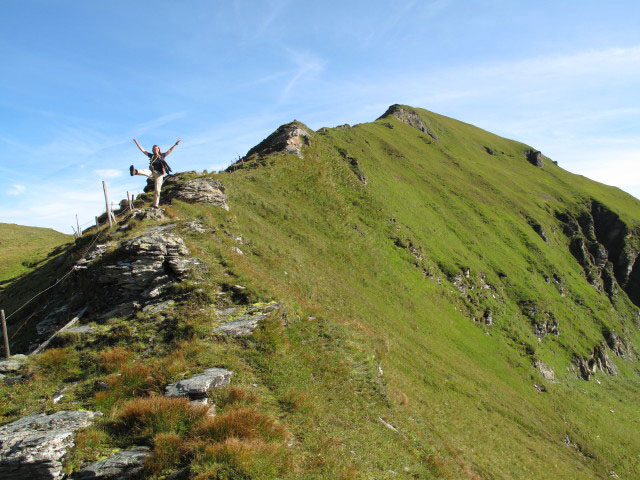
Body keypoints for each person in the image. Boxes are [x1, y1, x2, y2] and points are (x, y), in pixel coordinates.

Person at [130, 138, 180, 207]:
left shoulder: (162, 156)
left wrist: (176, 144)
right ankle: (135, 171)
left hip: (159, 174)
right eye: (154, 149)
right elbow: (143, 150)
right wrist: (136, 142)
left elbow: (170, 150)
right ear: (153, 150)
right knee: (145, 171)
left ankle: (155, 205)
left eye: (157, 148)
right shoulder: (152, 156)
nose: (156, 150)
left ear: (159, 149)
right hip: (152, 171)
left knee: (157, 190)